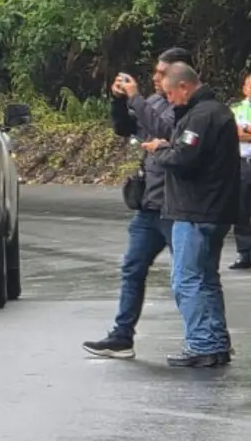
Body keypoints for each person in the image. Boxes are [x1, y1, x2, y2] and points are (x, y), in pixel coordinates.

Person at [81, 47, 190, 359]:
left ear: (179, 75)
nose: (155, 78)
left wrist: (136, 98)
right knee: (132, 268)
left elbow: (163, 128)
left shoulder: (185, 108)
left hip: (177, 206)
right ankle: (122, 335)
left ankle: (201, 338)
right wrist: (119, 100)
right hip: (149, 204)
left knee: (186, 276)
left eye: (161, 73)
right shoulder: (153, 102)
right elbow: (125, 127)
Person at [143, 62, 239, 367]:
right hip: (215, 208)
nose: (169, 100)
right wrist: (169, 145)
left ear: (184, 86)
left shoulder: (201, 116)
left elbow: (185, 158)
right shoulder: (216, 111)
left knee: (187, 279)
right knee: (207, 278)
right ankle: (215, 342)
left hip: (197, 209)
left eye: (171, 93)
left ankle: (201, 343)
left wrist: (159, 150)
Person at [227, 71, 251, 269]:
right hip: (242, 163)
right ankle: (245, 253)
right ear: (244, 88)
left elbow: (244, 133)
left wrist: (246, 132)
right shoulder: (235, 109)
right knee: (241, 208)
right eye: (249, 85)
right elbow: (234, 134)